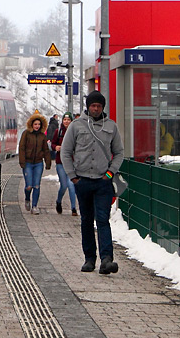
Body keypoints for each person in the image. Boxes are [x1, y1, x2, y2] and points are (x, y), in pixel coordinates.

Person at [62, 90, 124, 275]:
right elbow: (65, 152)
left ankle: (107, 259)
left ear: (103, 107)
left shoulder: (111, 127)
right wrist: (73, 176)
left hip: (103, 181)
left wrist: (110, 173)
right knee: (86, 220)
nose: (96, 109)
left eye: (99, 106)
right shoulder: (76, 126)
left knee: (102, 219)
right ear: (88, 107)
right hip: (82, 181)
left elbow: (119, 152)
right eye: (93, 106)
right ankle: (89, 259)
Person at [18, 112, 51, 214]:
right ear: (31, 124)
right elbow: (22, 148)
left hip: (38, 163)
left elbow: (45, 150)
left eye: (39, 124)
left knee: (36, 185)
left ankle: (35, 206)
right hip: (27, 162)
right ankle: (27, 198)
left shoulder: (42, 136)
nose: (37, 126)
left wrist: (48, 162)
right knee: (29, 185)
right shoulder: (26, 134)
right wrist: (22, 161)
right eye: (35, 124)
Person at [50, 112, 78, 215]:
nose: (66, 122)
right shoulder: (58, 131)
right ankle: (58, 201)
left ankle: (74, 208)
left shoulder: (75, 132)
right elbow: (53, 144)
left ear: (71, 121)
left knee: (71, 185)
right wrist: (55, 147)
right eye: (65, 120)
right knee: (64, 185)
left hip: (72, 163)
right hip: (60, 162)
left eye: (68, 120)